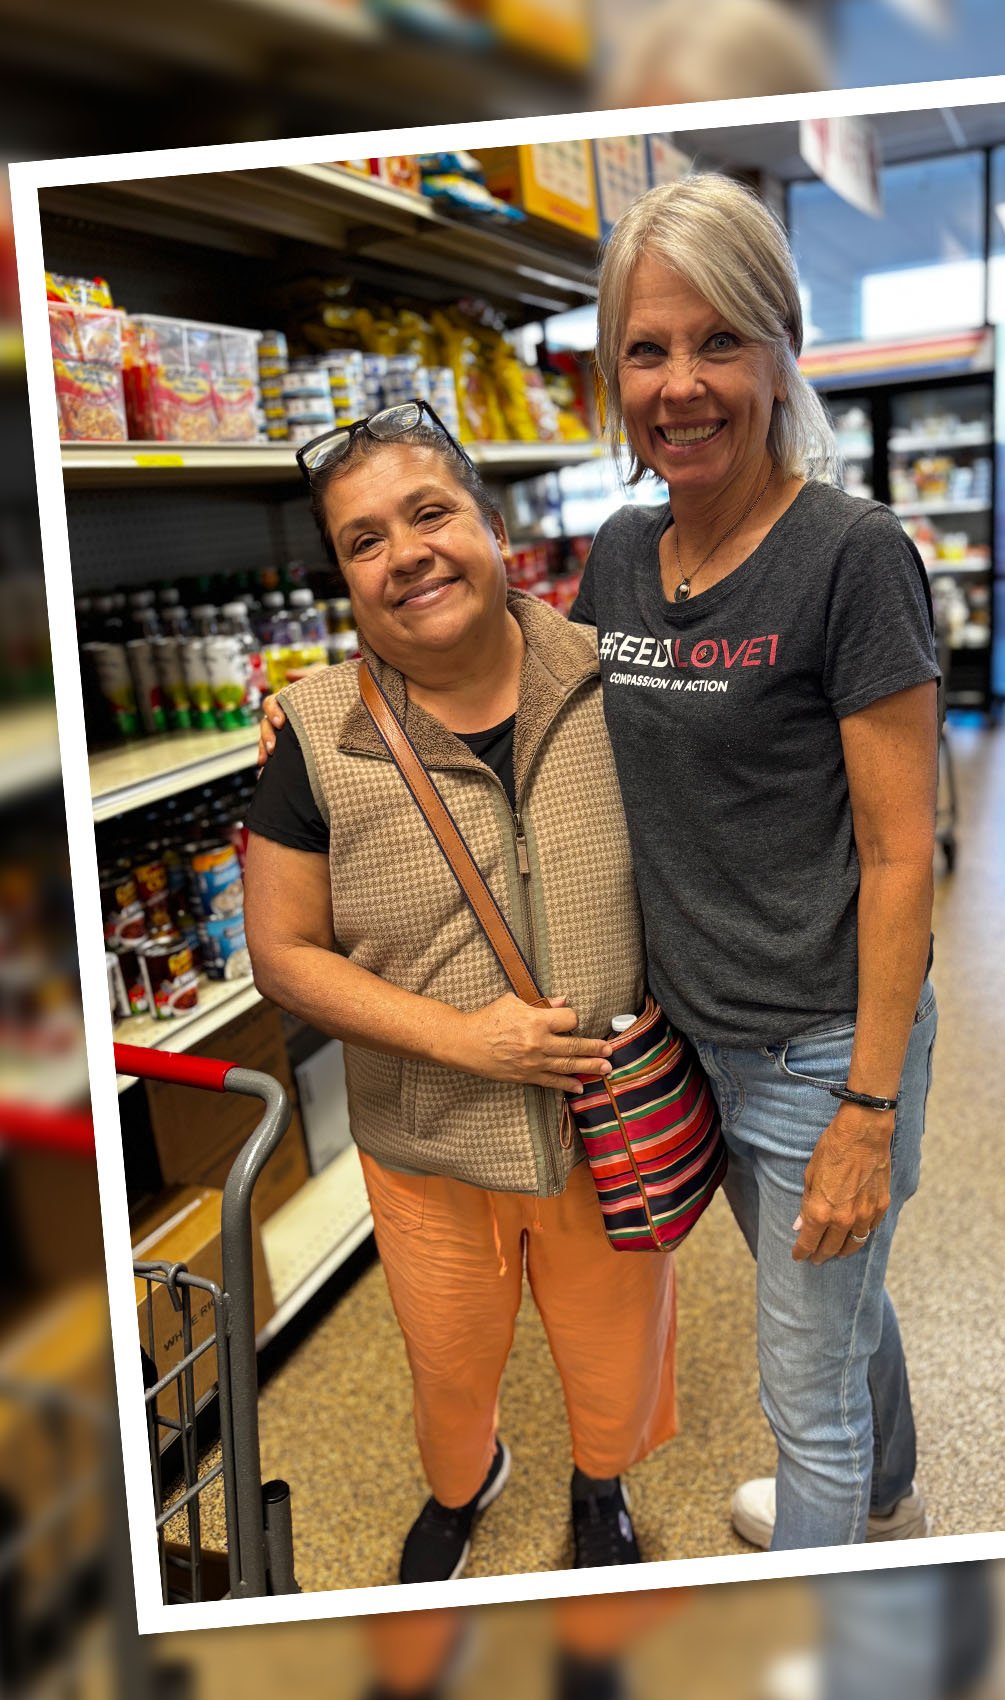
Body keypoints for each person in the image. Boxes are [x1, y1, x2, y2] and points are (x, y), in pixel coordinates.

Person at [242, 401, 677, 1584]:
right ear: (343, 578)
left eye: (428, 512)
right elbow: (283, 952)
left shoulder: (616, 678)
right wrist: (461, 1039)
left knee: (614, 1347)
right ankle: (461, 1481)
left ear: (490, 526)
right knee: (446, 1361)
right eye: (363, 539)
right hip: (428, 1140)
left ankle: (601, 1480)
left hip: (607, 1127)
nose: (405, 554)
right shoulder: (315, 734)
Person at [571, 172, 940, 1552]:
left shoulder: (851, 556)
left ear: (782, 350)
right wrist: (335, 706)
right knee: (838, 1300)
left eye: (717, 339)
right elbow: (530, 707)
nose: (680, 384)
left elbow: (899, 857)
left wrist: (865, 1112)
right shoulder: (620, 554)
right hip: (693, 1040)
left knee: (803, 1392)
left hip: (819, 1050)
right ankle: (885, 1490)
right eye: (646, 349)